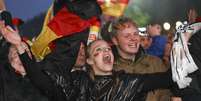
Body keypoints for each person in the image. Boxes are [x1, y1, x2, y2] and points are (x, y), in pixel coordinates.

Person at [102, 17, 172, 101]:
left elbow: (166, 93)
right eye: (127, 35)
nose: (133, 38)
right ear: (115, 40)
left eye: (135, 34)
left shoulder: (155, 62)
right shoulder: (108, 67)